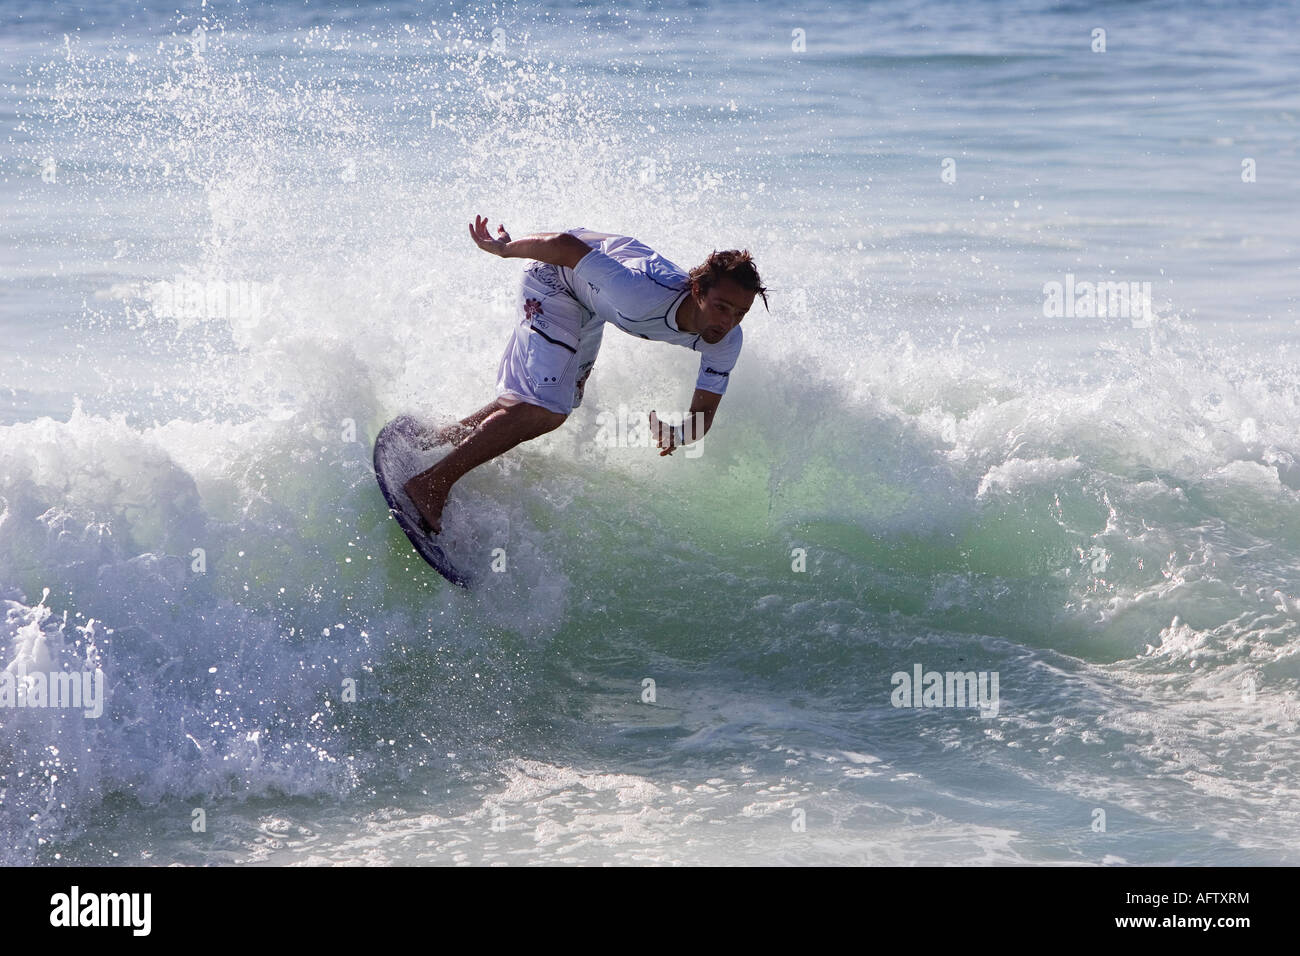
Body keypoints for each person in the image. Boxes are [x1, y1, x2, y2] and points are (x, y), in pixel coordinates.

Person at [404, 215, 768, 534]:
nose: (727, 321)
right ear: (697, 291)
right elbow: (564, 246)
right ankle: (432, 484)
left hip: (590, 304)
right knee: (547, 406)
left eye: (740, 313)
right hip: (554, 277)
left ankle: (441, 439)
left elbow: (703, 416)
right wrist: (504, 249)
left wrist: (680, 433)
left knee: (552, 399)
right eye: (721, 307)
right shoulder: (640, 294)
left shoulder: (725, 341)